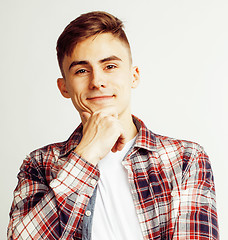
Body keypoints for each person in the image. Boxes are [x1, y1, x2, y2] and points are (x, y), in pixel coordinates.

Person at [7, 11, 219, 240]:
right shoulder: (39, 164)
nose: (97, 81)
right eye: (81, 70)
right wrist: (86, 155)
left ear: (134, 76)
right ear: (64, 87)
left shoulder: (185, 158)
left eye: (109, 66)